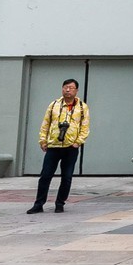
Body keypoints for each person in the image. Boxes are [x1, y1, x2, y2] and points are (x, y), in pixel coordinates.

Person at [27, 79, 89, 214]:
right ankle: (39, 204)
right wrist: (43, 140)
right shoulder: (54, 105)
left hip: (71, 147)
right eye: (66, 87)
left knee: (66, 177)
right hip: (53, 145)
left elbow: (85, 127)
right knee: (45, 176)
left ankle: (60, 203)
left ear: (76, 90)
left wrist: (78, 142)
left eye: (71, 88)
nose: (68, 90)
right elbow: (46, 123)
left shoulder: (82, 107)